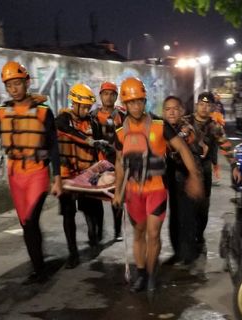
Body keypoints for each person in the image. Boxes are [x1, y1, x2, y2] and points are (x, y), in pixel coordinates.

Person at [0, 61, 62, 284]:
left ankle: (40, 271)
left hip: (38, 173)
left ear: (27, 82)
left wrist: (57, 177)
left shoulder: (43, 111)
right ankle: (39, 265)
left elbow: (53, 146)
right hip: (15, 175)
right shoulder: (2, 113)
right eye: (9, 85)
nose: (14, 88)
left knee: (30, 221)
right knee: (26, 224)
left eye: (18, 83)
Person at [112, 77, 203, 294]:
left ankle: (152, 274)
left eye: (139, 101)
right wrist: (118, 191)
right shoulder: (119, 132)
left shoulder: (160, 126)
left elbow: (182, 148)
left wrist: (194, 176)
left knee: (153, 233)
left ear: (144, 101)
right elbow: (119, 162)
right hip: (134, 192)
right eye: (131, 102)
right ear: (125, 104)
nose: (136, 106)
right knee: (139, 233)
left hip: (156, 189)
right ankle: (141, 274)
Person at [55, 83, 106, 269]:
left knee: (91, 209)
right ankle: (73, 253)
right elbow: (68, 132)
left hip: (87, 173)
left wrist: (103, 171)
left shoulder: (92, 122)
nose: (86, 110)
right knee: (68, 215)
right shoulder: (62, 119)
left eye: (88, 107)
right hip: (67, 172)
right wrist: (90, 141)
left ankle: (95, 236)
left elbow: (99, 148)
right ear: (73, 103)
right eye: (82, 106)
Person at [185, 91, 241, 253]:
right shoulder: (186, 122)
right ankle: (187, 238)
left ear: (212, 107)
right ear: (197, 105)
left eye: (208, 105)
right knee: (187, 207)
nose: (204, 108)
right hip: (187, 171)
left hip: (205, 171)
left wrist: (234, 166)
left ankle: (199, 235)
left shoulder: (214, 127)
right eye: (201, 104)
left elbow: (226, 146)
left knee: (203, 207)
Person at [162, 96, 206, 265]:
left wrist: (195, 179)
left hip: (187, 179)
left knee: (186, 218)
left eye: (175, 108)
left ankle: (188, 256)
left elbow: (174, 149)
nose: (171, 112)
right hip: (174, 179)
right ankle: (178, 253)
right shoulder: (166, 128)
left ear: (181, 111)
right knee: (175, 217)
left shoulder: (185, 129)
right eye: (167, 109)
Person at [91, 81, 126, 241]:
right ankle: (97, 231)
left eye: (112, 94)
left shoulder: (122, 116)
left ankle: (117, 230)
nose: (109, 97)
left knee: (115, 196)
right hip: (98, 162)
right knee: (95, 198)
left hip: (116, 161)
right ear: (100, 96)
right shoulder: (93, 116)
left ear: (116, 96)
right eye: (105, 93)